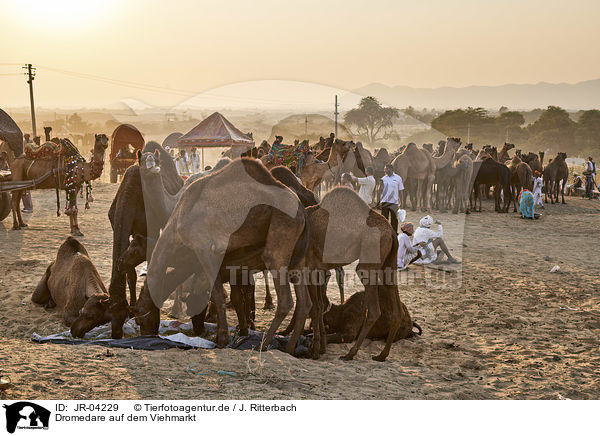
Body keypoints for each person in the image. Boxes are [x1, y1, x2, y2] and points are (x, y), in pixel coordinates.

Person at [379, 164, 404, 233]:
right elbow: (380, 191)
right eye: (384, 169)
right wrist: (379, 201)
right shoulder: (383, 179)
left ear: (391, 169)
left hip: (394, 202)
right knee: (384, 219)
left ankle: (394, 234)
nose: (385, 170)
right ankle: (384, 233)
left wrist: (401, 201)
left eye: (386, 169)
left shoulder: (398, 178)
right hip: (385, 202)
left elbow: (401, 190)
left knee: (394, 220)